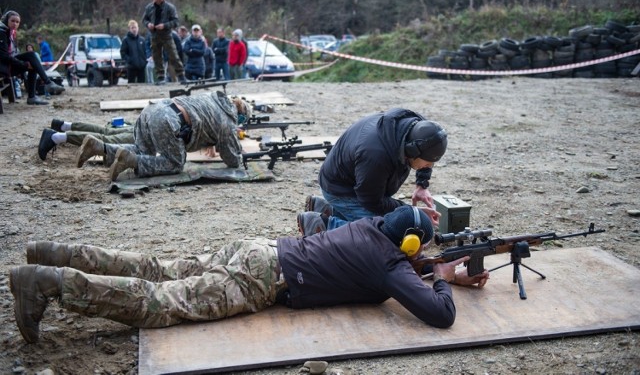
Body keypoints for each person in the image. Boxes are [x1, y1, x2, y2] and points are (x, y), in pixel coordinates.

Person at [8, 204, 490, 344]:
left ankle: (56, 253)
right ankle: (49, 283)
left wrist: (426, 267)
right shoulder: (387, 263)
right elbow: (439, 315)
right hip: (264, 279)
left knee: (155, 268)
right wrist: (444, 275)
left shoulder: (367, 228)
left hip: (258, 249)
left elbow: (384, 268)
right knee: (162, 303)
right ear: (406, 247)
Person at [299, 108, 448, 236]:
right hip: (342, 190)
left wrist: (421, 185)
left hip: (357, 181)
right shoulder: (376, 155)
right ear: (412, 150)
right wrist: (410, 212)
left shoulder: (417, 127)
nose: (430, 166)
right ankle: (321, 225)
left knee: (391, 220)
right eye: (427, 163)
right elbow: (372, 201)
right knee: (383, 234)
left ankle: (326, 209)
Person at [75, 91, 251, 181]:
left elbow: (204, 120)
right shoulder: (227, 122)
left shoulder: (214, 98)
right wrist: (237, 149)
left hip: (153, 109)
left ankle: (99, 147)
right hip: (169, 120)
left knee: (142, 150)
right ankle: (131, 161)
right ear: (240, 115)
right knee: (174, 163)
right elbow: (233, 160)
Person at [0, 10, 64, 105]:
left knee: (32, 56)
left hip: (8, 64)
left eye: (17, 22)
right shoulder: (1, 33)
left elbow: (13, 53)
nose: (15, 24)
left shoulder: (11, 33)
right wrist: (23, 64)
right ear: (6, 20)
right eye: (12, 21)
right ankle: (38, 91)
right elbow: (3, 56)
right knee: (31, 62)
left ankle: (46, 85)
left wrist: (24, 63)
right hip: (3, 67)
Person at [141, 0, 186, 85]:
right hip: (154, 35)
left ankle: (181, 76)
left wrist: (165, 25)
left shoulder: (170, 7)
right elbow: (144, 19)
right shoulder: (149, 7)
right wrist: (148, 24)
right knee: (157, 57)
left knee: (173, 55)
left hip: (166, 35)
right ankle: (161, 77)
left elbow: (176, 21)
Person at [37, 119, 134, 161]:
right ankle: (55, 137)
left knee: (107, 132)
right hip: (147, 134)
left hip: (145, 128)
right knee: (108, 140)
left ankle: (63, 125)